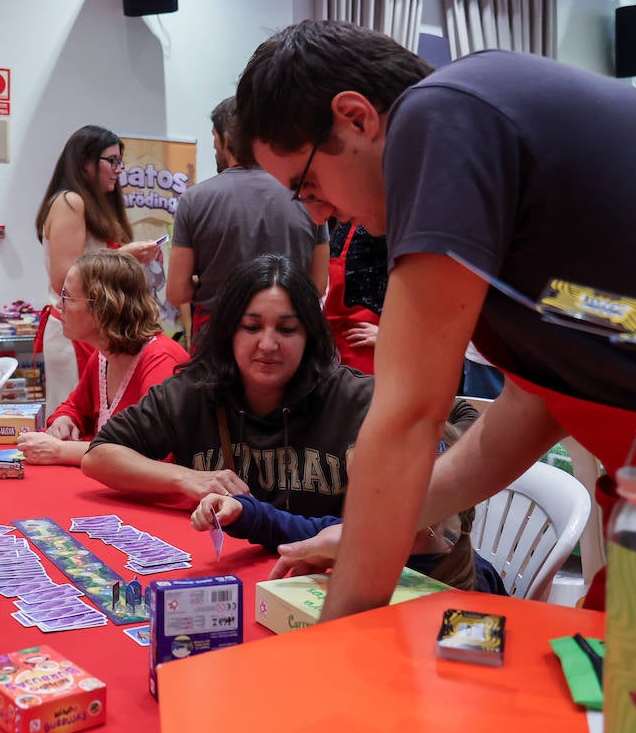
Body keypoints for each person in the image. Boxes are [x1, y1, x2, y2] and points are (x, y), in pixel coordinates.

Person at [234, 19, 636, 638]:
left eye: (307, 184)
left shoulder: (438, 117)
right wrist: (362, 532)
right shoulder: (496, 142)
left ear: (357, 118)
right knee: (617, 711)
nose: (320, 214)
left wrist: (329, 643)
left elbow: (408, 417)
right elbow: (532, 408)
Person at [81, 254, 478, 515]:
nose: (267, 345)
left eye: (287, 329)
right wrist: (187, 478)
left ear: (310, 337)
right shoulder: (196, 391)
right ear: (228, 333)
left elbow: (461, 416)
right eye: (251, 327)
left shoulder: (349, 396)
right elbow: (99, 456)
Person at [189, 422, 506, 595]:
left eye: (375, 495)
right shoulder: (349, 533)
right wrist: (240, 509)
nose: (363, 507)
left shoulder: (475, 580)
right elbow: (284, 525)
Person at [167, 96, 329, 344]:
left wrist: (207, 283)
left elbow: (177, 291)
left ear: (226, 139)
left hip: (217, 340)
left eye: (214, 137)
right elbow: (318, 284)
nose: (213, 146)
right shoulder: (307, 195)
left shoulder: (194, 200)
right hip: (285, 340)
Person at [16, 251, 188, 465]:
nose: (59, 306)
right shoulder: (103, 357)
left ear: (102, 307)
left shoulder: (161, 359)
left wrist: (61, 450)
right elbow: (75, 407)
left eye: (66, 296)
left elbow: (149, 452)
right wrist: (65, 419)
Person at [35, 125, 162, 409]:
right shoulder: (70, 201)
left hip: (96, 329)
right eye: (112, 161)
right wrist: (125, 255)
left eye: (121, 162)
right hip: (75, 330)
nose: (119, 170)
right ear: (85, 162)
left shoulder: (97, 205)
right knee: (74, 419)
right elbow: (63, 280)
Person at [323, 220, 384, 375]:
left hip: (369, 350)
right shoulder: (341, 222)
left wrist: (390, 337)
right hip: (335, 346)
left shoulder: (385, 221)